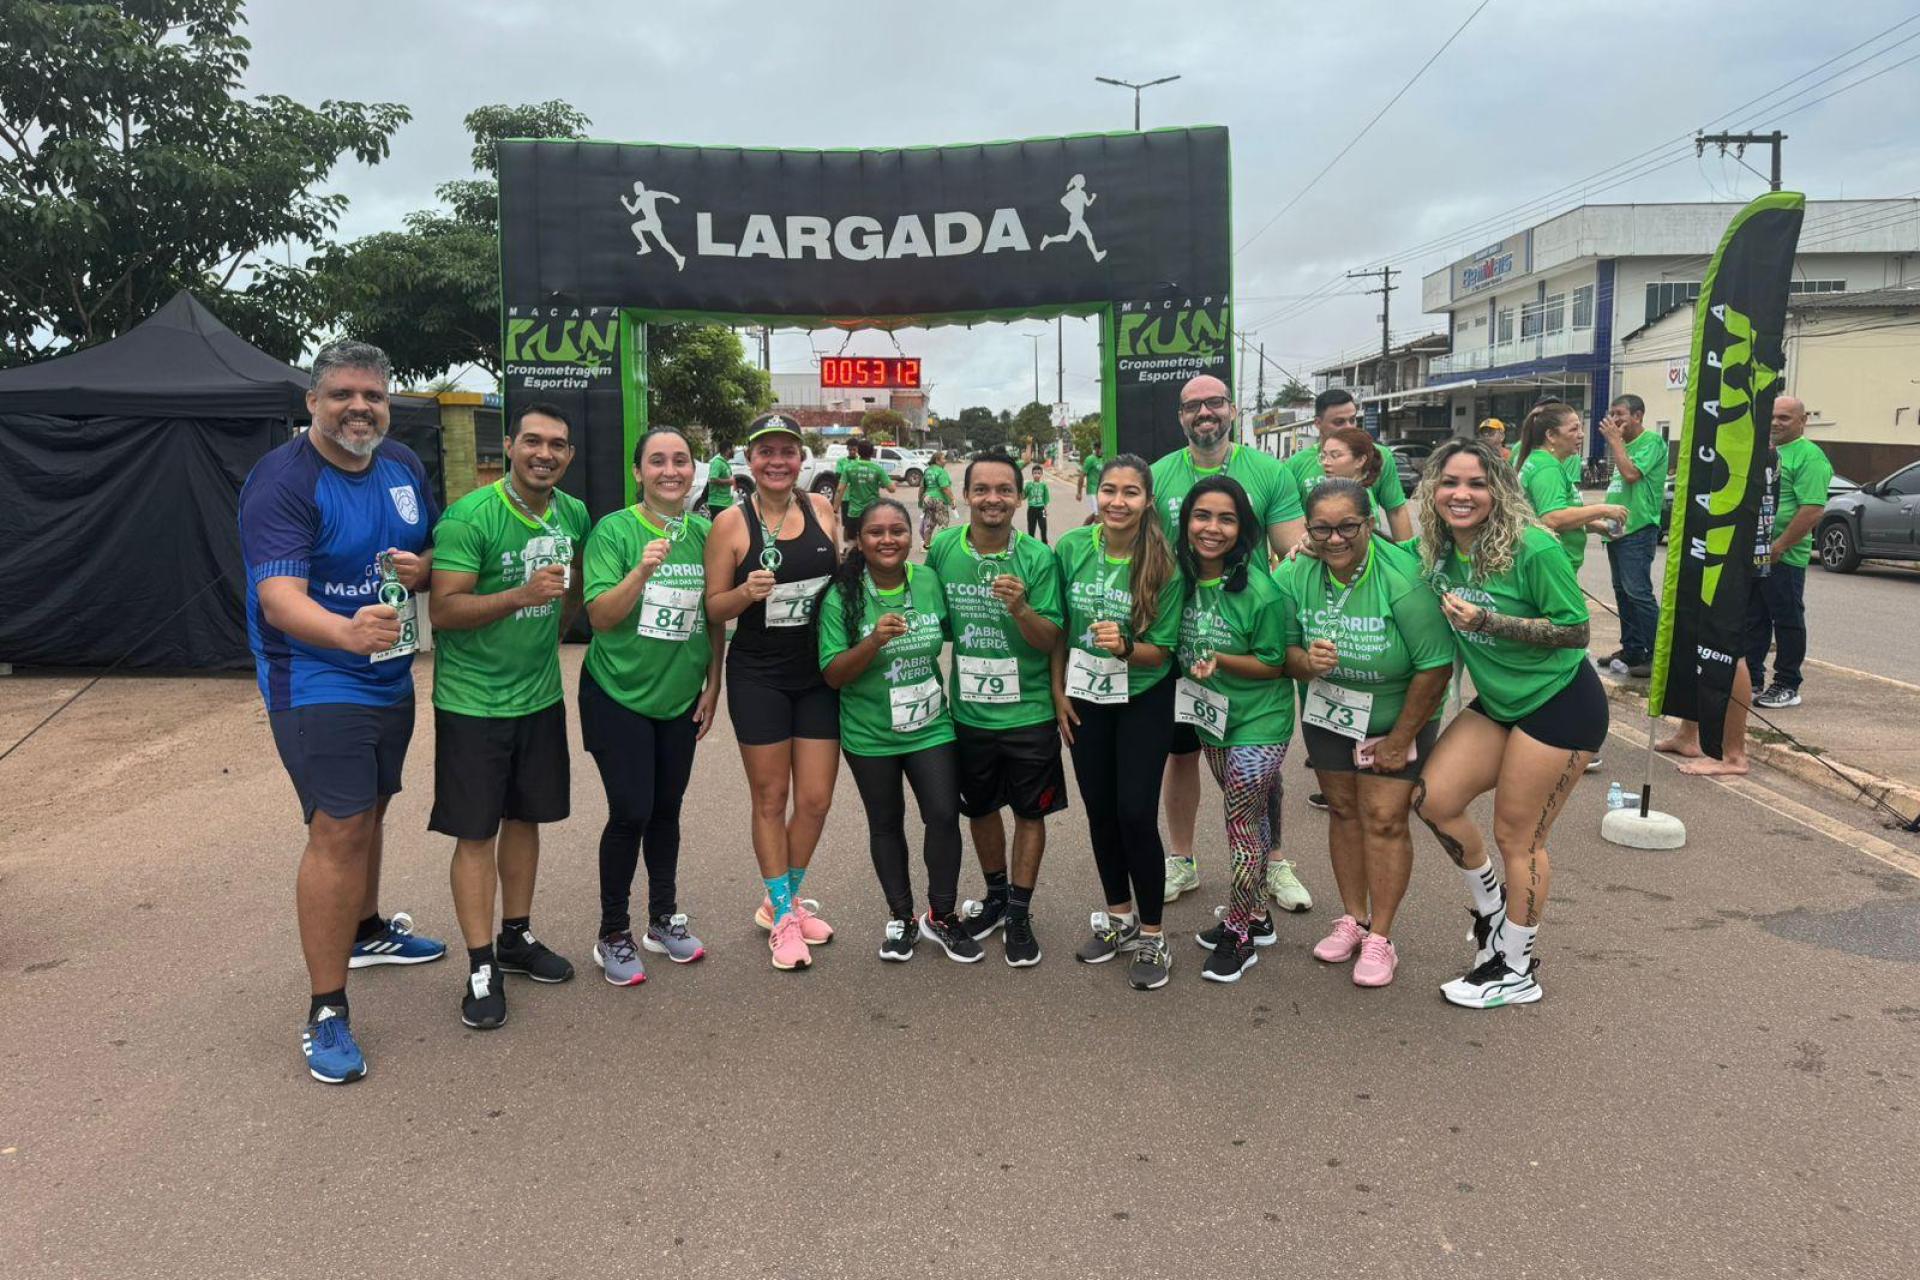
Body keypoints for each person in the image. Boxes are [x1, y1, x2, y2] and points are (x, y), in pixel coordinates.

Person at [239, 340, 445, 1084]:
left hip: (389, 673)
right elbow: (279, 598)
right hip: (316, 677)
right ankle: (326, 1008)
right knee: (339, 825)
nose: (360, 408)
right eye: (343, 395)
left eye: (373, 396)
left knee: (376, 806)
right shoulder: (282, 481)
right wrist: (346, 632)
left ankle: (366, 929)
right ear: (313, 404)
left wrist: (422, 567)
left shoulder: (403, 467)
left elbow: (423, 547)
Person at [1407, 439, 1607, 1009]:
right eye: (1449, 483)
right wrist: (1307, 546)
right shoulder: (1435, 550)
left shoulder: (1532, 546)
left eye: (1476, 483)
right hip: (1498, 703)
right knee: (1434, 799)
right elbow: (1377, 552)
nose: (1462, 494)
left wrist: (1491, 621)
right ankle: (1493, 908)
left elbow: (1576, 631)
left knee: (1519, 837)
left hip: (1559, 702)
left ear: (1498, 488)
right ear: (1433, 491)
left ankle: (1516, 964)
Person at [427, 402, 590, 1030]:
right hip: (473, 703)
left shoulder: (571, 512)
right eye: (532, 442)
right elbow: (444, 609)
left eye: (556, 444)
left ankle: (515, 938)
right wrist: (522, 595)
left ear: (569, 455)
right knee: (477, 833)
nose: (544, 453)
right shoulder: (472, 516)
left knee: (526, 819)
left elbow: (573, 596)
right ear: (510, 446)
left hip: (539, 697)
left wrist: (561, 615)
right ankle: (479, 963)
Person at [1277, 479, 1455, 988]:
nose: (1335, 539)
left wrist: (1401, 738)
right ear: (1307, 529)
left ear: (1370, 521)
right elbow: (1284, 652)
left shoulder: (1403, 576)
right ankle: (1353, 919)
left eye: (1347, 526)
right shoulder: (1297, 572)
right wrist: (1306, 661)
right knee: (1344, 810)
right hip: (1330, 711)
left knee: (1384, 817)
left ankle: (1382, 935)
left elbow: (1435, 666)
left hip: (1400, 713)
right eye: (1322, 528)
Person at [1149, 375, 1309, 914]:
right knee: (1182, 752)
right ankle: (1182, 860)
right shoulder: (1159, 474)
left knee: (1256, 764)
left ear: (1233, 409)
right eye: (1192, 406)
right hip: (1181, 636)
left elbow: (1294, 550)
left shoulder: (1269, 471)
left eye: (1214, 402)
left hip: (1243, 635)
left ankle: (1274, 861)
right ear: (1181, 417)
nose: (1204, 413)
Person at [580, 428, 724, 986]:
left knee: (667, 809)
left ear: (695, 471)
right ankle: (612, 932)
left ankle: (662, 919)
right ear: (638, 472)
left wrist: (715, 683)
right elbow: (599, 617)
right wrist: (641, 570)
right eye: (657, 461)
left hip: (679, 698)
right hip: (617, 695)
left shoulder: (706, 533)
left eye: (681, 461)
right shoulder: (614, 531)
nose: (671, 470)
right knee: (632, 810)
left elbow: (714, 615)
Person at [704, 413, 842, 970]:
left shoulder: (822, 510)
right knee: (770, 799)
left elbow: (840, 582)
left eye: (787, 451)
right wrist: (743, 594)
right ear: (750, 460)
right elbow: (712, 609)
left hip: (817, 675)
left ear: (801, 458)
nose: (777, 461)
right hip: (759, 675)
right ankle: (784, 917)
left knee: (815, 800)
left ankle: (780, 898)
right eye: (767, 452)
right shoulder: (730, 525)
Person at [820, 499, 980, 963]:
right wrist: (873, 641)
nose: (888, 540)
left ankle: (943, 915)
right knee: (886, 823)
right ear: (859, 540)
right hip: (871, 733)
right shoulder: (842, 596)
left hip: (930, 726)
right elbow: (833, 674)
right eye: (875, 532)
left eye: (897, 531)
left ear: (912, 536)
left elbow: (956, 629)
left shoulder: (928, 580)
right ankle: (902, 918)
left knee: (944, 815)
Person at [926, 452, 1066, 967]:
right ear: (964, 495)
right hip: (968, 715)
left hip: (1028, 714)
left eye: (1003, 490)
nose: (992, 499)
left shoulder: (1037, 558)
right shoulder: (943, 548)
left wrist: (1020, 608)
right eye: (981, 489)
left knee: (1030, 813)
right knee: (980, 809)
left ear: (1019, 496)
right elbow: (932, 618)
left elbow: (1051, 637)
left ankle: (1022, 913)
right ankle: (997, 896)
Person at [1054, 455, 1186, 990]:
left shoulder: (1164, 563)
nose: (1117, 501)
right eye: (1109, 490)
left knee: (1134, 812)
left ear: (1147, 501)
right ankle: (1119, 918)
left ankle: (1154, 934)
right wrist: (1055, 692)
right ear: (1095, 493)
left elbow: (1165, 652)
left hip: (1143, 698)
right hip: (1084, 696)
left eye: (1131, 493)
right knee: (1100, 812)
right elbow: (1058, 627)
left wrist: (1130, 648)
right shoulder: (1069, 549)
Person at [1170, 477, 1295, 984]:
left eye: (1226, 519)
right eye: (1202, 516)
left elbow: (1275, 662)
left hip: (1260, 722)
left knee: (1241, 822)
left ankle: (1240, 931)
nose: (1212, 528)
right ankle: (1259, 914)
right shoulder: (1175, 579)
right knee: (1252, 814)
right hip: (1210, 719)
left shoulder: (1261, 591)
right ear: (1186, 523)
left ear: (1243, 529)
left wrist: (1217, 658)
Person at [1748, 395, 1831, 709]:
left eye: (1784, 417)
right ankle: (1752, 679)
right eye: (1772, 417)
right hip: (1755, 552)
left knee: (1786, 618)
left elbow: (1812, 510)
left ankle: (1787, 683)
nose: (1775, 423)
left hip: (1783, 556)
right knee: (1753, 618)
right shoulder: (1765, 452)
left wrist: (1779, 546)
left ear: (1802, 420)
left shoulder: (1810, 457)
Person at [1595, 394, 1669, 678]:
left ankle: (1658, 655)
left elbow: (1630, 475)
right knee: (1622, 592)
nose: (1614, 420)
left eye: (1620, 414)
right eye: (1611, 414)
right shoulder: (1624, 445)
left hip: (1638, 528)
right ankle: (1633, 648)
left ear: (1638, 416)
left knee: (1638, 592)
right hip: (1617, 529)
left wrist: (1615, 442)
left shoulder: (1652, 442)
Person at [1512, 400, 1627, 573]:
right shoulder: (1547, 467)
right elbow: (1552, 518)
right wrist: (1603, 510)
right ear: (1551, 435)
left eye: (1581, 428)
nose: (1581, 435)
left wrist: (1596, 526)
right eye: (1573, 429)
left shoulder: (1541, 462)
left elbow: (1544, 516)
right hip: (1552, 566)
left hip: (1551, 563)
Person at [1287, 389, 1413, 541]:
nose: (1349, 427)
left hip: (1369, 554)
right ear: (1318, 423)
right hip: (1319, 553)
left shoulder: (1379, 455)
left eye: (1352, 420)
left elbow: (1396, 511)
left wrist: (1407, 557)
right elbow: (1287, 521)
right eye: (1339, 422)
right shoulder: (1296, 465)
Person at [835, 438, 894, 544]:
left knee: (852, 542)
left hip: (854, 513)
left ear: (858, 451)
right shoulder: (877, 469)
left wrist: (834, 510)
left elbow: (840, 490)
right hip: (872, 513)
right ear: (872, 453)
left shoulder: (849, 468)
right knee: (872, 542)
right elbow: (892, 489)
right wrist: (889, 483)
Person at [919, 450, 954, 543]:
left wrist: (920, 501)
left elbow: (922, 487)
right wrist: (952, 500)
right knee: (943, 524)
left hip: (927, 499)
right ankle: (940, 546)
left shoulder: (927, 471)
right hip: (939, 500)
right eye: (943, 458)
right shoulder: (941, 472)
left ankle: (926, 545)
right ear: (937, 461)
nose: (945, 460)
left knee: (929, 524)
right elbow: (945, 488)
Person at [1023, 462, 1052, 543]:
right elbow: (1023, 496)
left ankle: (1045, 545)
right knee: (1031, 529)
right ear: (1032, 474)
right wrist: (1021, 489)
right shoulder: (1029, 485)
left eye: (1039, 473)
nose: (1037, 475)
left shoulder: (1044, 485)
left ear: (1041, 474)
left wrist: (1046, 509)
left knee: (1044, 527)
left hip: (1041, 509)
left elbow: (1046, 498)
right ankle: (1031, 545)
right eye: (1035, 473)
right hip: (1031, 509)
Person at [706, 451, 734, 521]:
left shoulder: (724, 463)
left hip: (725, 502)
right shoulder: (717, 462)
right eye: (732, 448)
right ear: (728, 450)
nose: (734, 451)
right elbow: (713, 479)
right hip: (717, 503)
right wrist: (728, 481)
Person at [1077, 445, 1103, 516]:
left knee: (1098, 515)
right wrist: (1079, 493)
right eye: (1101, 448)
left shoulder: (1104, 459)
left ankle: (1084, 526)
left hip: (1102, 491)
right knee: (1097, 515)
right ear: (1096, 449)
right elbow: (1082, 475)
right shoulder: (1090, 459)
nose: (1102, 451)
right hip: (1092, 491)